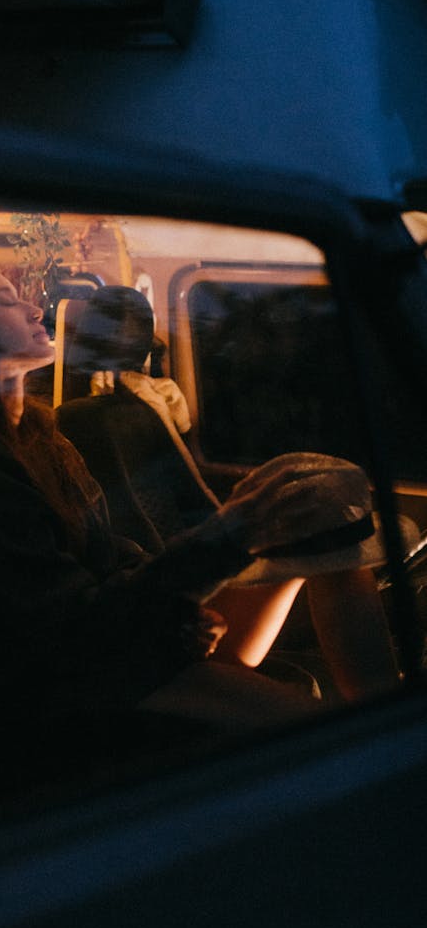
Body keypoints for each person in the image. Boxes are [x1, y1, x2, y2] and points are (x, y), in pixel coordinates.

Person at [0, 263, 402, 802]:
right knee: (326, 736)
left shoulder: (42, 436)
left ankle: (394, 722)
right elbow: (67, 634)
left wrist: (184, 604)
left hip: (113, 652)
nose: (35, 307)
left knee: (320, 508)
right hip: (58, 698)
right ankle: (387, 760)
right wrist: (224, 541)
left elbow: (110, 557)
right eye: (6, 302)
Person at [56, 286, 404, 700]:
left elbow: (174, 499)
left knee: (327, 525)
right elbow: (111, 557)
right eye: (8, 301)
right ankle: (385, 715)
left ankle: (385, 706)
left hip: (172, 585)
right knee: (329, 544)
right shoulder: (78, 428)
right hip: (164, 612)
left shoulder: (141, 406)